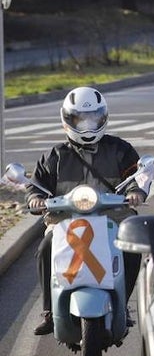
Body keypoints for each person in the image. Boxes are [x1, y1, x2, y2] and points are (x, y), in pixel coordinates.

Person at [25, 87, 146, 336]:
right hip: (65, 218)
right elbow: (34, 185)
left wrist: (136, 192)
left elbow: (136, 175)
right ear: (68, 119)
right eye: (80, 118)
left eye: (93, 118)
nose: (87, 124)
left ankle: (122, 304)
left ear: (103, 118)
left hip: (113, 216)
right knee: (45, 247)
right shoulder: (54, 156)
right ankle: (50, 311)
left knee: (132, 248)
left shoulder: (120, 149)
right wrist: (36, 198)